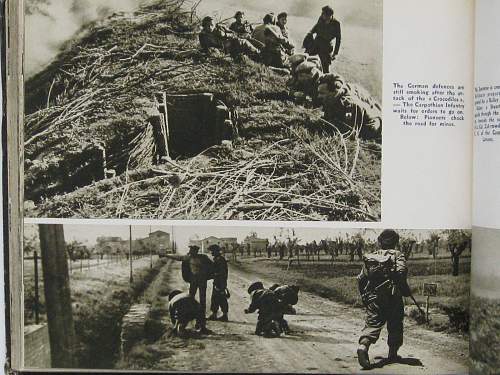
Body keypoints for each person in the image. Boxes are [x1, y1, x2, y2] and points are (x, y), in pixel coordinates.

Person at [356, 229, 410, 370]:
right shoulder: (398, 255)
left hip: (374, 297)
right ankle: (392, 354)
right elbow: (401, 273)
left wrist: (364, 296)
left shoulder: (371, 257)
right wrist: (405, 290)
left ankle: (363, 347)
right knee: (395, 324)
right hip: (392, 297)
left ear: (380, 242)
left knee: (372, 324)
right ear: (396, 242)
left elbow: (361, 278)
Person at [182, 245, 214, 329]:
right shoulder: (188, 258)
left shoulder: (203, 258)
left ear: (196, 251)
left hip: (201, 281)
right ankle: (192, 315)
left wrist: (208, 274)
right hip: (195, 281)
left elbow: (211, 265)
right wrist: (164, 255)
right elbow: (178, 257)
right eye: (191, 251)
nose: (191, 252)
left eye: (192, 251)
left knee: (202, 300)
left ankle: (201, 320)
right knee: (191, 298)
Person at [303, 6, 341, 73]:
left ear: (330, 15)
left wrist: (335, 53)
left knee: (325, 67)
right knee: (305, 57)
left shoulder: (336, 24)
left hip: (326, 46)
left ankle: (325, 79)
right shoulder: (321, 18)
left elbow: (338, 39)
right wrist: (310, 33)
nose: (322, 15)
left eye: (324, 14)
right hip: (316, 43)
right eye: (322, 13)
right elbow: (316, 27)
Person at [207, 244, 229, 322]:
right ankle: (214, 314)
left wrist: (220, 285)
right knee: (215, 298)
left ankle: (224, 315)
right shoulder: (217, 259)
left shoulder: (220, 260)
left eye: (212, 251)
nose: (211, 253)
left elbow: (222, 273)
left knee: (221, 298)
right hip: (218, 281)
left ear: (216, 251)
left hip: (220, 282)